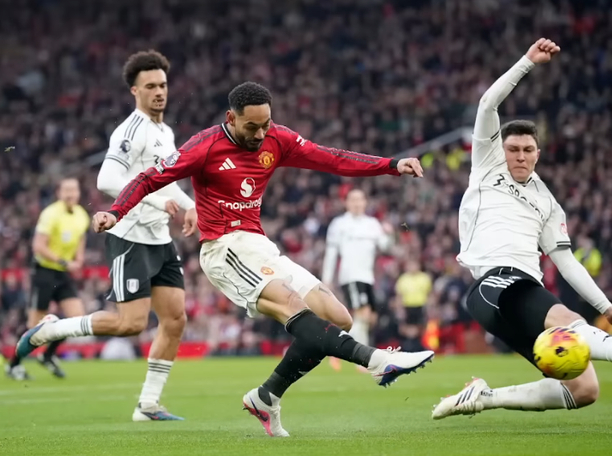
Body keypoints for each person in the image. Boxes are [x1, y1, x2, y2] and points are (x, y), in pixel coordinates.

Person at [18, 81, 435, 437]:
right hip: (223, 249)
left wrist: (391, 165)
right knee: (294, 309)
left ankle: (266, 397)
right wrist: (116, 211)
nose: (261, 133)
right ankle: (379, 360)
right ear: (231, 118)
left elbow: (331, 158)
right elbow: (149, 178)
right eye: (252, 126)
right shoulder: (205, 145)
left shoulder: (277, 138)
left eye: (266, 123)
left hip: (259, 244)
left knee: (337, 317)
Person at [431, 38, 612, 420]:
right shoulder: (486, 166)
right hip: (494, 284)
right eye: (513, 149)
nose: (519, 156)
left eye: (527, 150)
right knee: (565, 318)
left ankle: (483, 397)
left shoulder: (547, 201)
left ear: (538, 153)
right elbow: (487, 104)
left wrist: (607, 308)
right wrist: (527, 62)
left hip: (521, 293)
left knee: (584, 390)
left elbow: (566, 262)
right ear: (500, 150)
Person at [17, 50, 197, 421]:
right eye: (150, 86)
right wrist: (155, 203)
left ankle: (148, 404)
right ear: (135, 91)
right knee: (130, 324)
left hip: (160, 239)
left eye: (162, 85)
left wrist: (189, 205)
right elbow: (107, 180)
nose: (159, 92)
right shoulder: (130, 131)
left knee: (175, 319)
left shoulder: (165, 132)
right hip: (130, 236)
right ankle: (51, 330)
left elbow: (166, 183)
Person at [5, 178, 89, 381]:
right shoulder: (50, 214)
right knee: (34, 324)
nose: (70, 194)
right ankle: (14, 365)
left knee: (77, 319)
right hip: (44, 271)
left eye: (74, 190)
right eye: (66, 190)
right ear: (59, 193)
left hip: (62, 273)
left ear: (79, 192)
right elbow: (38, 246)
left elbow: (80, 238)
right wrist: (64, 262)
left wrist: (79, 259)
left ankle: (48, 355)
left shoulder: (82, 214)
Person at [322, 189, 393, 371]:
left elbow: (386, 246)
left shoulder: (372, 224)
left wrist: (389, 234)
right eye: (353, 200)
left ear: (365, 202)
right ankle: (362, 359)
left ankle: (338, 348)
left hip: (367, 276)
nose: (356, 203)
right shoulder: (339, 224)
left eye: (360, 199)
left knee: (369, 318)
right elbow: (331, 253)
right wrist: (327, 279)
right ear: (346, 203)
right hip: (350, 275)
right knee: (362, 314)